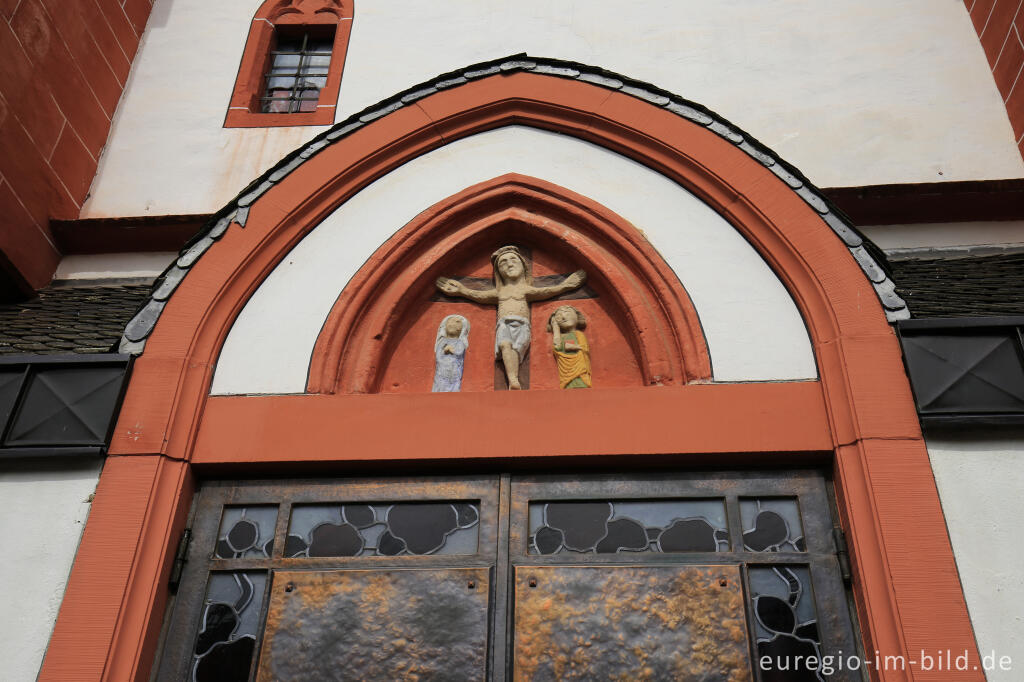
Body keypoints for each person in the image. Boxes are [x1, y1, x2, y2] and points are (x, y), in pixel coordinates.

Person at [435, 245, 586, 389]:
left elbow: (546, 291)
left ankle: (514, 379)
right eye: (503, 262)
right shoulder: (500, 292)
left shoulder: (525, 290)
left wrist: (566, 285)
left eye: (513, 260)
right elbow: (480, 295)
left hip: (521, 325)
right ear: (498, 272)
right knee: (505, 345)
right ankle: (513, 380)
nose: (509, 264)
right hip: (503, 325)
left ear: (523, 266)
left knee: (516, 348)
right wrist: (461, 290)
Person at [547, 305, 591, 389]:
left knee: (580, 383)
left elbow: (584, 348)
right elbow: (557, 348)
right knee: (569, 385)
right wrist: (556, 329)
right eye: (559, 316)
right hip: (566, 369)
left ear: (577, 317)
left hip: (579, 366)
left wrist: (573, 346)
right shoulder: (561, 337)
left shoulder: (579, 334)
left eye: (567, 313)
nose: (563, 317)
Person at [431, 314, 470, 392]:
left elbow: (460, 352)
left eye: (456, 323)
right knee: (441, 381)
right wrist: (444, 351)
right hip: (443, 368)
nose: (452, 325)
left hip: (454, 368)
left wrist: (452, 350)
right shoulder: (443, 341)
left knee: (454, 382)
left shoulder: (460, 342)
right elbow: (438, 354)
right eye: (449, 323)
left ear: (460, 329)